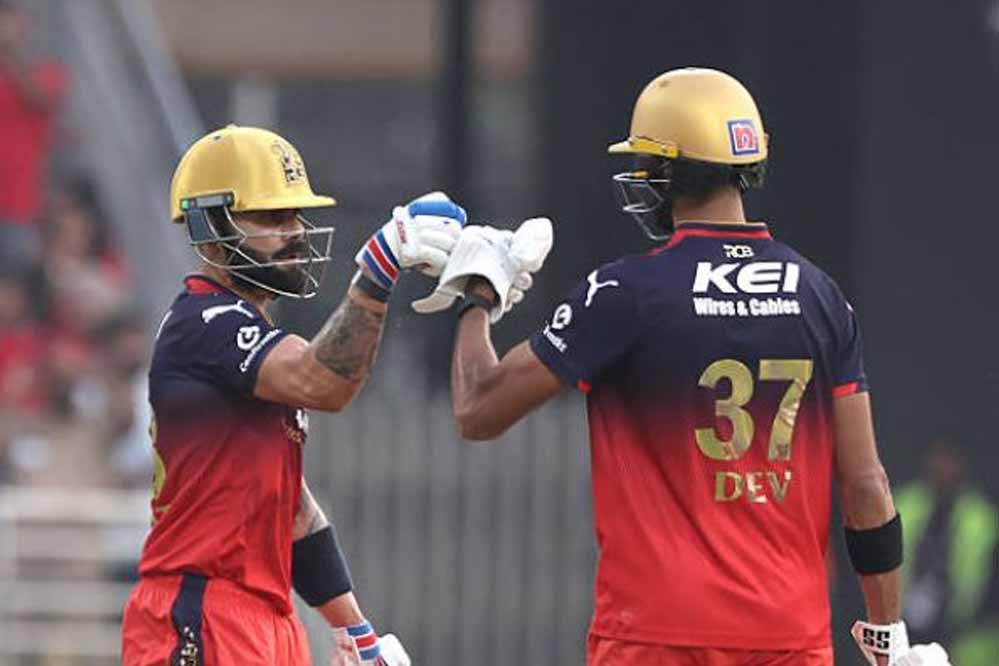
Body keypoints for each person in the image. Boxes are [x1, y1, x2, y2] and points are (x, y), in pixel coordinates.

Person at [422, 68, 951, 665]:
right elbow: (866, 486)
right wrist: (888, 637)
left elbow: (478, 410)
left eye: (647, 165)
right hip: (788, 638)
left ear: (670, 173)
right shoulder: (820, 297)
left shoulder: (625, 292)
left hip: (657, 637)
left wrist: (478, 296)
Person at [120, 124, 467, 666]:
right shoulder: (204, 321)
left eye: (295, 216)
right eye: (272, 218)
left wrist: (357, 632)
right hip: (205, 608)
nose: (297, 232)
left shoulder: (247, 338)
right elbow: (322, 382)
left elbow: (291, 512)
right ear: (210, 231)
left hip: (261, 614)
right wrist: (378, 269)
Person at [894, 438, 997, 645]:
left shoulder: (981, 517)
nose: (944, 468)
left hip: (960, 626)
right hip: (901, 619)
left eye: (950, 461)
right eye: (939, 459)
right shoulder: (902, 503)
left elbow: (985, 579)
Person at [0, 0, 68, 265]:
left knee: (17, 275)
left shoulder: (47, 70)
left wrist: (9, 54)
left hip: (18, 206)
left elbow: (38, 96)